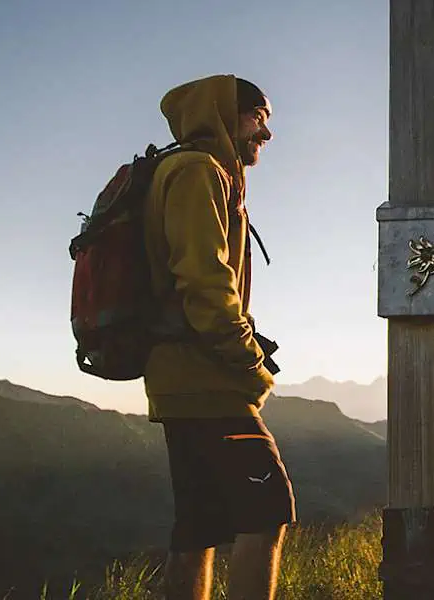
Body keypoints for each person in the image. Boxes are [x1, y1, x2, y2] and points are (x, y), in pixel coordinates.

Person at [144, 74, 291, 600]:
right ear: (225, 114)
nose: (266, 133)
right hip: (207, 378)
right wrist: (251, 365)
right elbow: (205, 283)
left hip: (180, 378)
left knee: (199, 527)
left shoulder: (189, 170)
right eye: (259, 117)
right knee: (268, 509)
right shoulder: (199, 172)